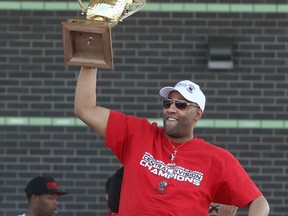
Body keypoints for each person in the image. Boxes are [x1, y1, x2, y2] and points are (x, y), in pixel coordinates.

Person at [74, 66, 270, 215]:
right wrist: (90, 60)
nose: (171, 109)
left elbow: (259, 202)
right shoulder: (138, 134)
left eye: (182, 104)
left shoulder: (216, 158)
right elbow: (85, 109)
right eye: (168, 102)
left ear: (198, 114)